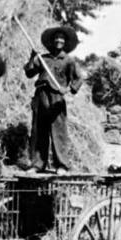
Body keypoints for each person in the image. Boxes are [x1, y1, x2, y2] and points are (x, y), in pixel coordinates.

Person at [23, 26, 83, 174]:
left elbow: (78, 78)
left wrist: (68, 90)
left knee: (59, 131)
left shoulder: (68, 61)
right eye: (56, 38)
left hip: (57, 97)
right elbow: (29, 73)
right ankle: (38, 164)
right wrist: (32, 58)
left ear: (65, 42)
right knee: (39, 130)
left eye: (61, 38)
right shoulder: (43, 59)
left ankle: (61, 165)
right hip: (41, 95)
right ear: (51, 41)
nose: (58, 40)